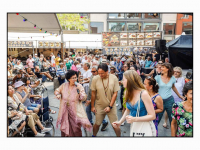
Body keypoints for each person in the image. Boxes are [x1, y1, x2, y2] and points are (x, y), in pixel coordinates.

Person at [112, 70, 156, 136]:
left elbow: (152, 116)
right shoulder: (127, 92)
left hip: (144, 126)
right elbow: (127, 110)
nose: (121, 81)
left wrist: (134, 119)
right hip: (134, 126)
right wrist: (120, 122)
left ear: (130, 81)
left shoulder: (143, 94)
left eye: (124, 79)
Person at [54, 70, 92, 137]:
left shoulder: (79, 86)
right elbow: (57, 90)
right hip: (65, 111)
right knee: (65, 128)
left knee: (76, 129)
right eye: (73, 78)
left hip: (75, 111)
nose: (75, 79)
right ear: (68, 79)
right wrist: (57, 94)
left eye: (75, 77)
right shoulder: (64, 85)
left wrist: (81, 94)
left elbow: (84, 97)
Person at [91, 63, 121, 137]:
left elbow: (115, 93)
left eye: (102, 73)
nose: (100, 75)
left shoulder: (114, 78)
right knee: (97, 124)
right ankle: (93, 136)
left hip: (111, 106)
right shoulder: (95, 79)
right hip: (99, 105)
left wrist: (110, 107)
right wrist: (92, 106)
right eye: (99, 73)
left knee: (115, 125)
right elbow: (93, 93)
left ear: (107, 71)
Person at [155, 63, 185, 128]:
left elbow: (173, 87)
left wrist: (180, 96)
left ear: (167, 69)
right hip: (160, 101)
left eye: (163, 67)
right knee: (157, 119)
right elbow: (153, 88)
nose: (161, 68)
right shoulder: (157, 77)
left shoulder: (172, 78)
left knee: (172, 119)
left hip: (169, 100)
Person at [85, 66, 109, 131]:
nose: (92, 73)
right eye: (92, 71)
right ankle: (91, 122)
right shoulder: (93, 77)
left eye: (94, 71)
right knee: (88, 110)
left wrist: (90, 100)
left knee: (94, 111)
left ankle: (104, 122)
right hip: (90, 96)